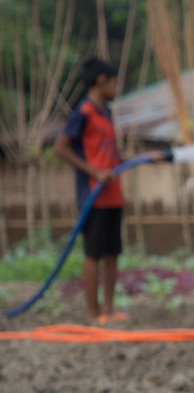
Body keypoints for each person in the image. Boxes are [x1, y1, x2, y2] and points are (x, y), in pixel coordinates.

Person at [53, 58, 145, 323]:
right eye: (115, 82)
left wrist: (140, 158)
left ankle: (108, 309)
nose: (117, 87)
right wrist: (94, 172)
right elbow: (60, 147)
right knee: (93, 252)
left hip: (113, 195)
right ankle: (93, 313)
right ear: (102, 80)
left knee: (112, 252)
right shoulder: (83, 112)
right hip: (93, 196)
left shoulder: (106, 114)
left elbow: (111, 156)